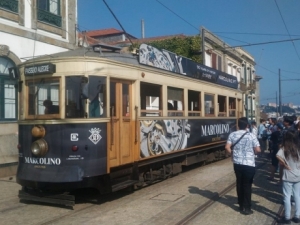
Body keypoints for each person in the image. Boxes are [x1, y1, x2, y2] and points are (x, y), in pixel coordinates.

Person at [225, 117, 261, 215]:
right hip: (249, 164)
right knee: (247, 185)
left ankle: (241, 205)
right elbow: (258, 150)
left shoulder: (232, 134)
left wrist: (232, 154)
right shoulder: (251, 135)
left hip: (237, 163)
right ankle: (247, 207)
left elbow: (227, 147)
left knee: (239, 183)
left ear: (238, 125)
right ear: (247, 125)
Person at [276, 130, 300, 224]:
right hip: (298, 175)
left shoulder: (284, 148)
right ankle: (297, 216)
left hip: (288, 175)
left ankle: (287, 217)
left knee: (287, 196)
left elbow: (277, 155)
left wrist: (285, 164)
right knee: (297, 196)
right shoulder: (298, 147)